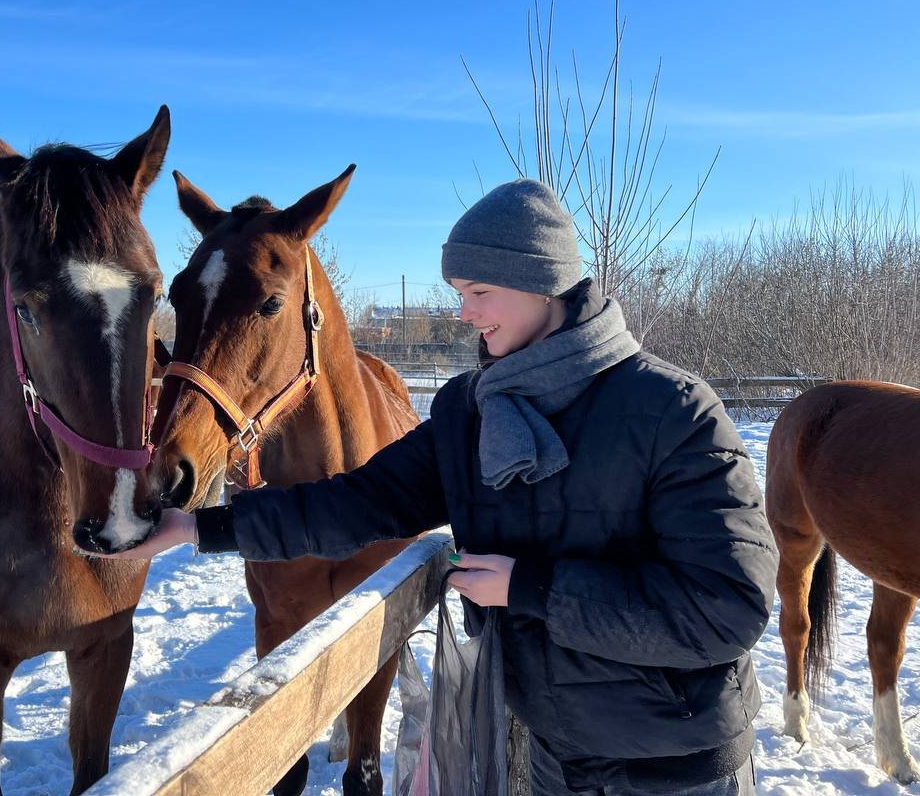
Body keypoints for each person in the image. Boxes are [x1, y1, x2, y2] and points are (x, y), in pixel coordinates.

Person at [105, 178, 777, 795]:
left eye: (478, 292)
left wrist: (530, 589)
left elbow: (729, 607)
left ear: (542, 283)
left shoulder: (674, 411)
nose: (463, 313)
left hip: (675, 765)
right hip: (549, 756)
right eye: (458, 292)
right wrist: (201, 527)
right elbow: (358, 503)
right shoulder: (470, 413)